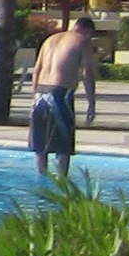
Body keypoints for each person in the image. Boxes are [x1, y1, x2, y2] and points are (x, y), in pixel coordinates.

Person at [29, 13, 99, 175]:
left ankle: (42, 183)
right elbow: (88, 72)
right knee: (63, 147)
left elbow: (36, 70)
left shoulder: (49, 40)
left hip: (40, 92)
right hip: (60, 94)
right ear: (88, 31)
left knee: (41, 147)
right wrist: (91, 103)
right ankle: (62, 187)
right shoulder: (83, 40)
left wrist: (34, 96)